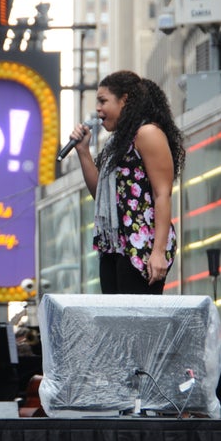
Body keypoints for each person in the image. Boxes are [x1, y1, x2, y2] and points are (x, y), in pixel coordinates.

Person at [69, 71, 185, 294]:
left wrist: (158, 251)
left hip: (142, 245)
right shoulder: (117, 143)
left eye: (103, 101)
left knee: (137, 324)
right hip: (115, 244)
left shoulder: (147, 133)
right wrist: (83, 151)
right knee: (114, 325)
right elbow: (101, 196)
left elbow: (163, 193)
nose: (98, 109)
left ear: (124, 100)